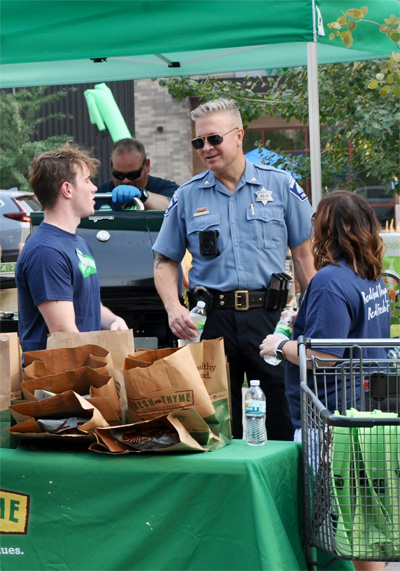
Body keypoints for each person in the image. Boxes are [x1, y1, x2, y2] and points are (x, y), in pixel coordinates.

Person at [152, 98, 316, 440]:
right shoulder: (187, 196)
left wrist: (310, 314)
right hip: (212, 321)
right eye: (199, 142)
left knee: (281, 416)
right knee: (215, 420)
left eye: (214, 139)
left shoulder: (280, 185)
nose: (206, 148)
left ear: (239, 136)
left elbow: (304, 254)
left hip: (268, 319)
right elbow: (165, 261)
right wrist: (172, 308)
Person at [259, 190, 389, 571]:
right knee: (364, 525)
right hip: (368, 415)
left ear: (326, 230)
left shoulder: (331, 281)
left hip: (331, 419)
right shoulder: (371, 276)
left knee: (341, 527)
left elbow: (325, 358)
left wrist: (282, 345)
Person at [16, 143, 128, 353]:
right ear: (67, 189)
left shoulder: (79, 243)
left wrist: (114, 320)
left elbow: (89, 307)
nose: (94, 187)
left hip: (81, 371)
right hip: (58, 381)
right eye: (87, 180)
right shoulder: (46, 251)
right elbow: (64, 333)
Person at [97, 138, 178, 210]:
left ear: (147, 165)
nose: (125, 181)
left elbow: (176, 207)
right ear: (111, 165)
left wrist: (142, 195)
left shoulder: (165, 188)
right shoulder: (100, 194)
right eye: (119, 175)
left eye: (133, 175)